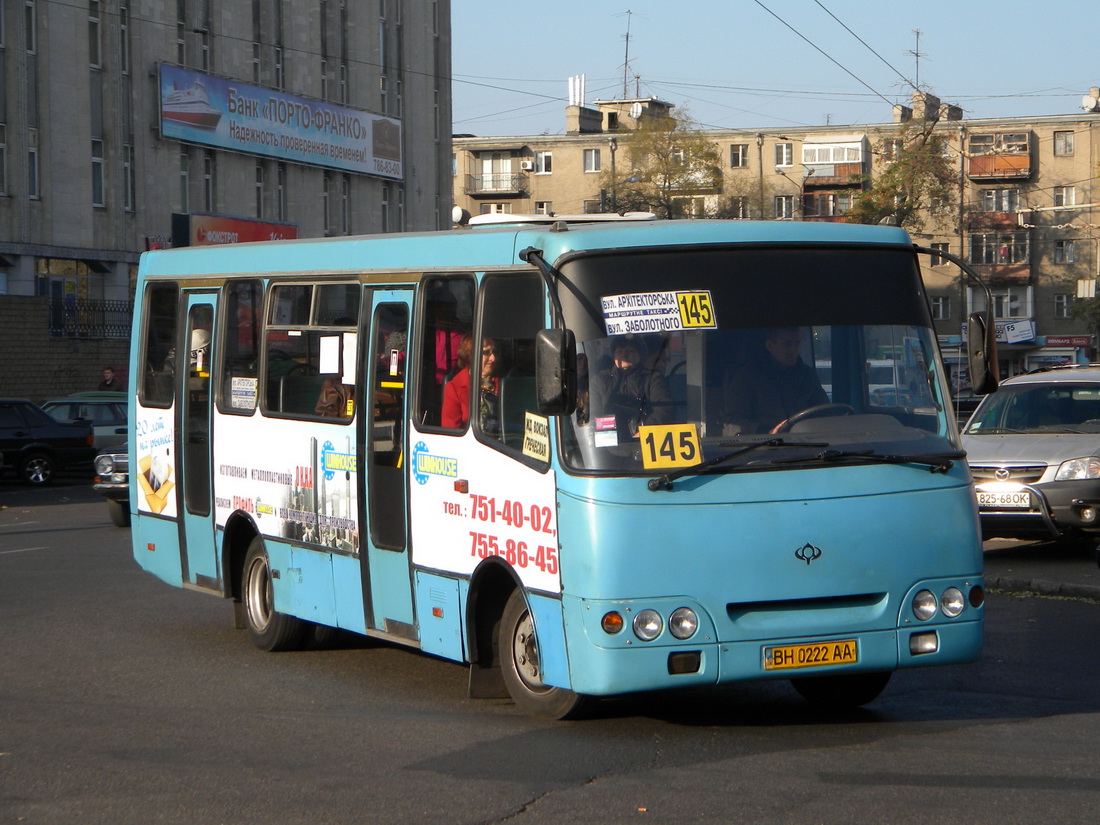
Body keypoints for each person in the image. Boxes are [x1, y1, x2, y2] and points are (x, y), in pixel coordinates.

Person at [722, 327, 828, 435]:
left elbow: (824, 412)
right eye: (787, 344)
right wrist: (767, 431)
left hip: (806, 443)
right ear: (770, 346)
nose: (794, 350)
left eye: (797, 343)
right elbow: (732, 423)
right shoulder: (747, 377)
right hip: (761, 447)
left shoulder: (807, 375)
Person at [588, 338, 672, 440]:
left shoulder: (653, 379)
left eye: (630, 351)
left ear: (640, 354)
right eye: (619, 351)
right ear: (613, 355)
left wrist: (645, 431)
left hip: (646, 441)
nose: (624, 354)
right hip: (606, 445)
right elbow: (592, 413)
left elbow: (665, 409)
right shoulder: (599, 380)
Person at [441, 334, 501, 431]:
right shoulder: (454, 388)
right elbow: (450, 432)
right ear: (470, 355)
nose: (493, 358)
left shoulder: (503, 383)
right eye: (486, 352)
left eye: (494, 352)